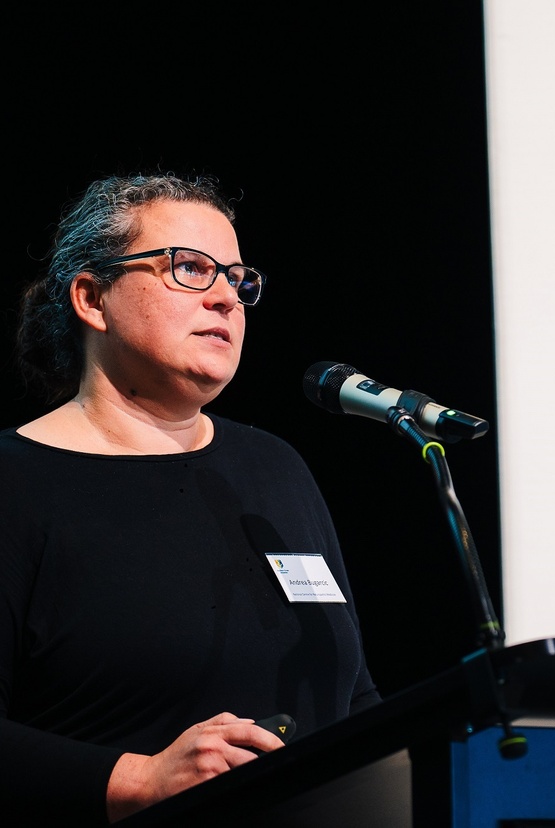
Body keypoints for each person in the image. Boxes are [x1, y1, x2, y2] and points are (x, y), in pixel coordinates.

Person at [0, 172, 381, 825]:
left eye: (236, 279)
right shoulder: (16, 480)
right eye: (190, 269)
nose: (227, 300)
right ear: (92, 298)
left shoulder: (274, 469)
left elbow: (356, 697)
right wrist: (136, 780)